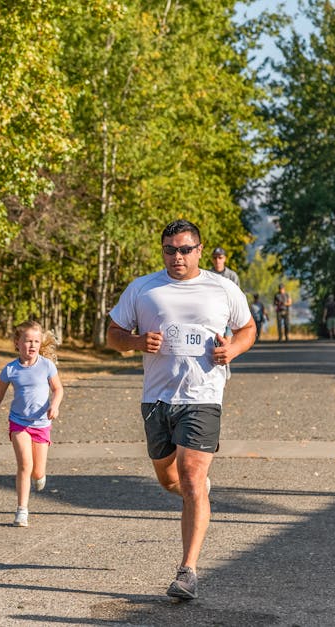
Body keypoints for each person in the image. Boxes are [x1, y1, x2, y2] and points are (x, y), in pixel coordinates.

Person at [106, 219, 255, 600]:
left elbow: (248, 328)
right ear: (163, 251)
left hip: (203, 395)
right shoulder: (143, 288)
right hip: (157, 399)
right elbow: (112, 335)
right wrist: (137, 341)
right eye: (170, 249)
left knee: (189, 477)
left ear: (200, 251)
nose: (177, 256)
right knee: (169, 479)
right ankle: (198, 493)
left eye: (185, 249)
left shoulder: (223, 288)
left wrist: (232, 350)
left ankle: (187, 571)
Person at [0, 320, 64, 527]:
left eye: (36, 341)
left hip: (42, 424)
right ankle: (22, 510)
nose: (32, 345)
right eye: (28, 341)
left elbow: (58, 389)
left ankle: (40, 475)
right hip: (19, 423)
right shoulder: (10, 369)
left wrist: (54, 405)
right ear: (17, 343)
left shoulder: (47, 365)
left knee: (38, 472)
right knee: (25, 465)